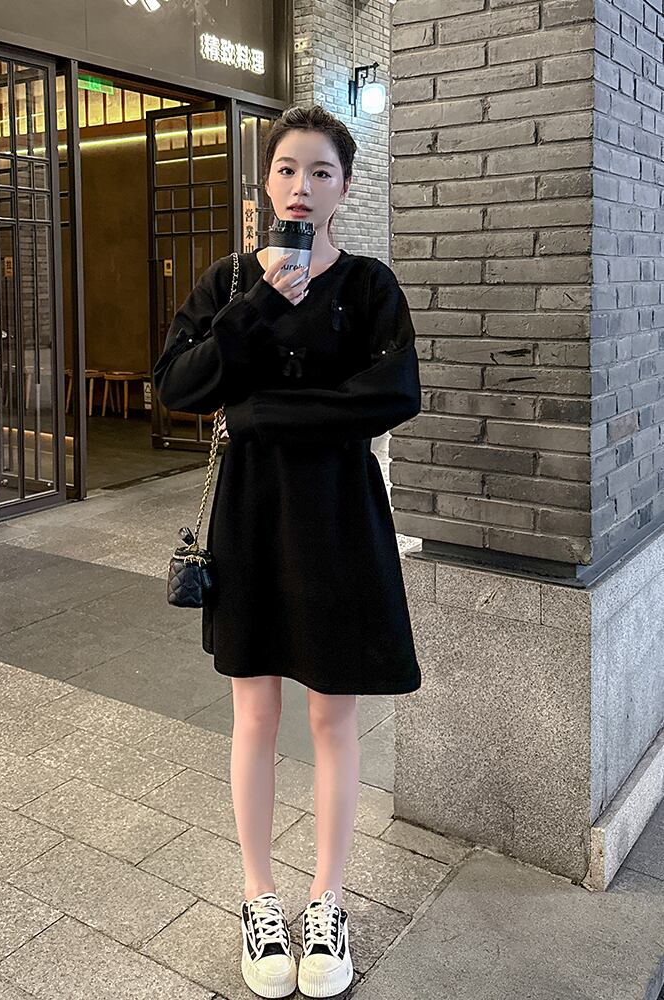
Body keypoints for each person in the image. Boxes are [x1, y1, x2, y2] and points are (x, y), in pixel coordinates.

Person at [153, 103, 422, 999]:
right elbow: (177, 385)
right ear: (265, 182)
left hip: (340, 516)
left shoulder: (370, 286)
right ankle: (259, 899)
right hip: (252, 517)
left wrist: (263, 413)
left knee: (333, 716)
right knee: (255, 714)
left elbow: (393, 393)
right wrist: (264, 301)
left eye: (321, 172)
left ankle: (328, 900)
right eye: (286, 170)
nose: (301, 186)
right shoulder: (232, 279)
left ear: (345, 187)